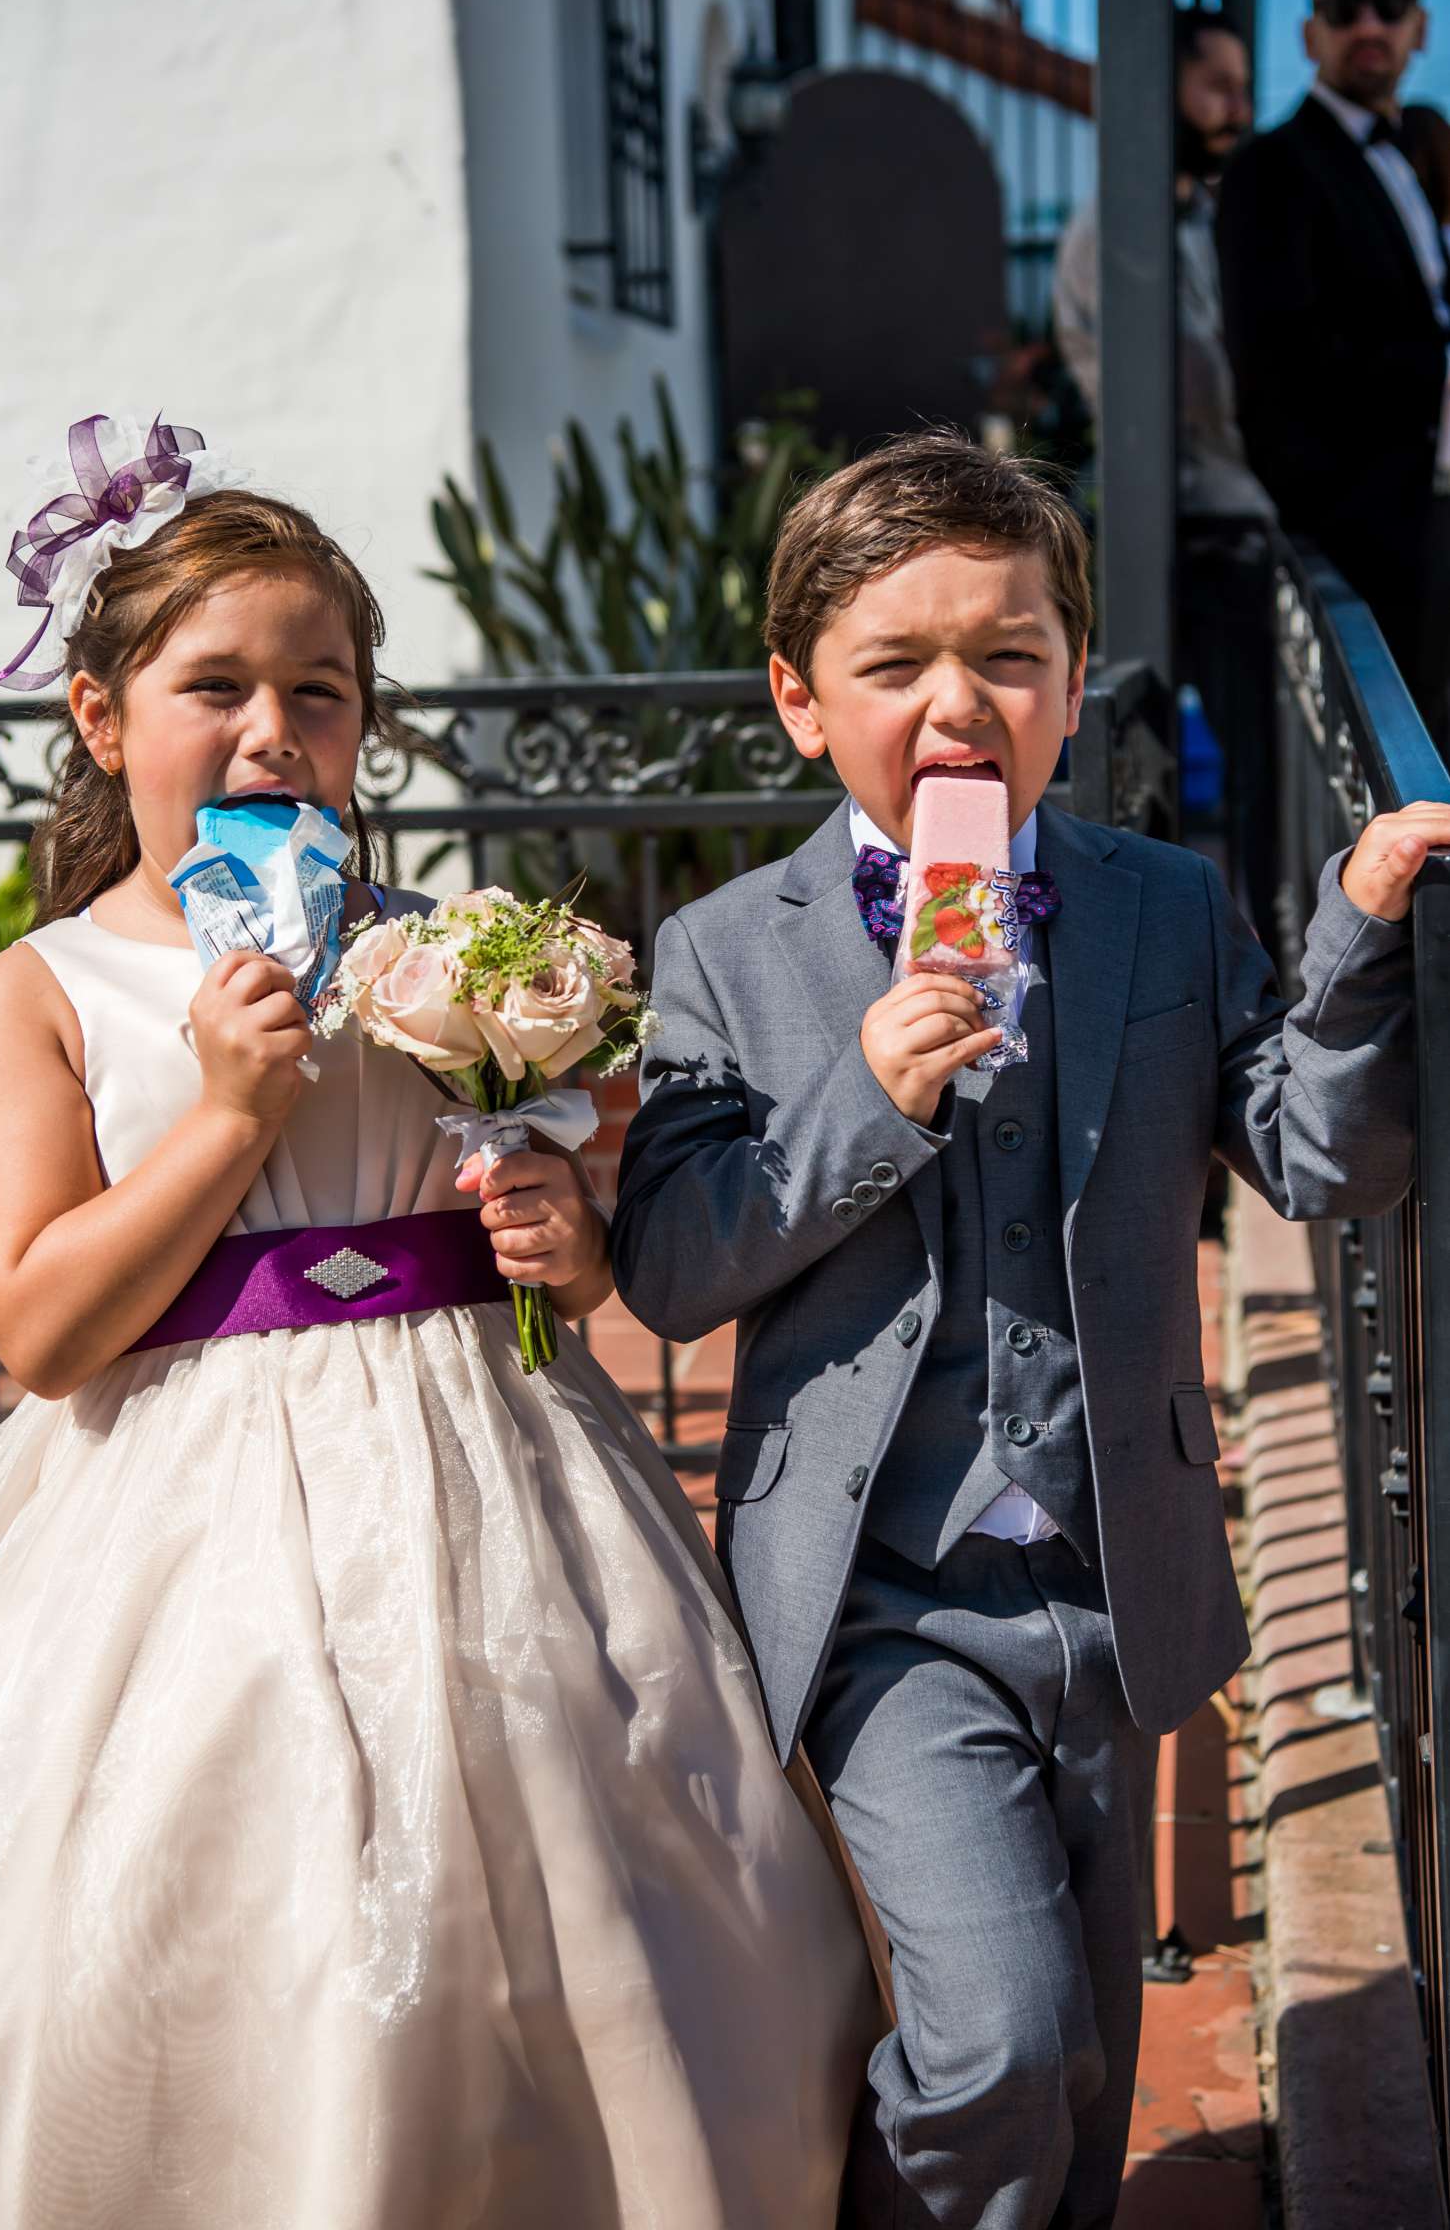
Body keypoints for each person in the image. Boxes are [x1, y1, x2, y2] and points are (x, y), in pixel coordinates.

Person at [0, 416, 877, 2228]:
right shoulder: (44, 994)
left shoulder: (450, 955)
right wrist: (233, 1109)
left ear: (362, 727)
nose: (269, 734)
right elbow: (40, 1328)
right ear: (104, 722)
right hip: (172, 1501)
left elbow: (559, 1251)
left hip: (479, 1468)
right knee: (221, 1897)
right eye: (213, 689)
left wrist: (559, 1229)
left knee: (567, 1855)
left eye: (317, 694)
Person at [610, 431, 1447, 2229]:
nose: (953, 706)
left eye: (1005, 657)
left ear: (1072, 686)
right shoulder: (723, 954)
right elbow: (675, 1267)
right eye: (892, 665)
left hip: (1109, 1569)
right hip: (886, 1605)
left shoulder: (1157, 902)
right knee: (990, 2041)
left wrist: (1358, 936)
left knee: (1078, 2059)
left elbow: (1317, 1156)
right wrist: (862, 1098)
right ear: (794, 700)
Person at [1055, 9, 1281, 957]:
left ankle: (1253, 943)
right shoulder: (1121, 225)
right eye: (1217, 84)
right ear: (1166, 93)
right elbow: (1198, 380)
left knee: (1252, 765)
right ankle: (1162, 955)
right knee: (1156, 756)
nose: (1239, 104)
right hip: (1177, 519)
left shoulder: (1197, 215)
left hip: (1227, 511)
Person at [1217, 0, 1450, 735]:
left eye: (1390, 5)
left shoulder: (1410, 157)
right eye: (1343, 8)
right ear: (1308, 33)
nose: (1368, 26)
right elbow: (1276, 365)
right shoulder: (1270, 167)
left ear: (1420, 25)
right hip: (1366, 545)